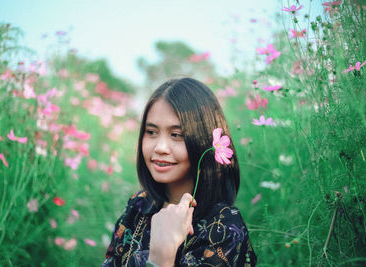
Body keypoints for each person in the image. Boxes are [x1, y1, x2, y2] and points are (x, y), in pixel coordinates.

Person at [102, 78, 257, 266]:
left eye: (176, 135)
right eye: (151, 132)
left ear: (204, 141)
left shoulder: (223, 226)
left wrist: (162, 256)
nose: (160, 147)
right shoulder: (139, 205)